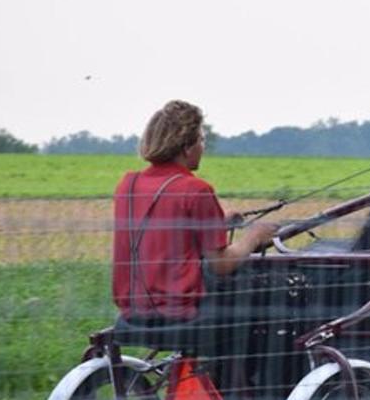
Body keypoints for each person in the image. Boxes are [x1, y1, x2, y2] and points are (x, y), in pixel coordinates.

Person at [112, 100, 277, 351]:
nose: (203, 147)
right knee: (265, 301)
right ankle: (241, 381)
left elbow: (163, 230)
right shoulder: (196, 189)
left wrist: (218, 223)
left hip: (134, 310)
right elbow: (221, 265)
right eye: (201, 140)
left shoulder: (128, 185)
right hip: (183, 312)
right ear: (186, 146)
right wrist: (254, 237)